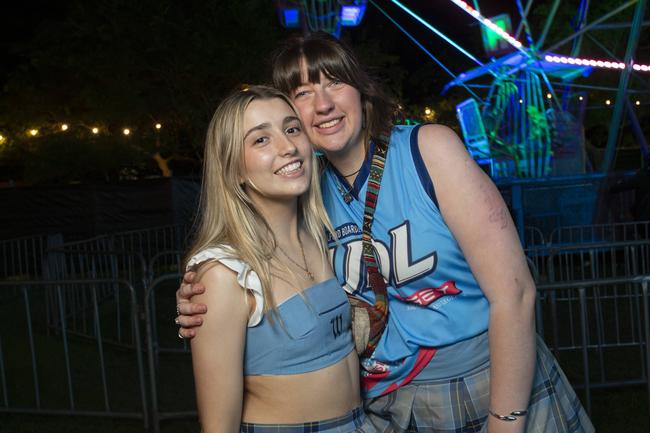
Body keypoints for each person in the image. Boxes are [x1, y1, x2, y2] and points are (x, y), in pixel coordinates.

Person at [177, 33, 594, 433]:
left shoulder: (427, 150)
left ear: (361, 90)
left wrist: (506, 423)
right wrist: (207, 296)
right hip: (388, 406)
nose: (323, 104)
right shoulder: (305, 191)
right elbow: (261, 260)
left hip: (490, 384)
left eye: (336, 82)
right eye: (303, 94)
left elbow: (515, 292)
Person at [184, 85, 374, 432]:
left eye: (291, 129)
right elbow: (218, 426)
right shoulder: (224, 273)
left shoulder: (322, 235)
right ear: (233, 169)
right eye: (260, 140)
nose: (288, 147)